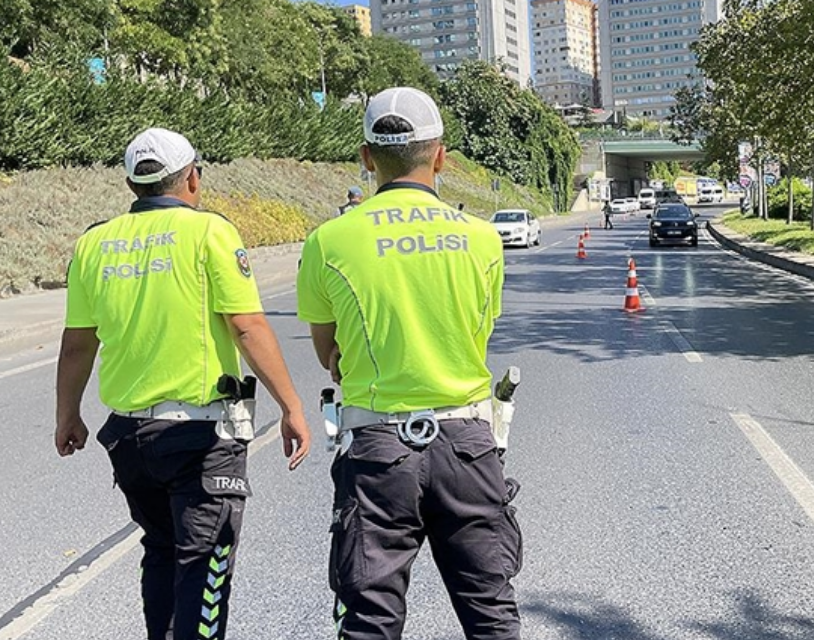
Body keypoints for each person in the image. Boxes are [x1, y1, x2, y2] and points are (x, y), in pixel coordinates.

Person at [55, 128, 311, 640]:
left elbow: (78, 343)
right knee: (205, 564)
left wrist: (67, 415)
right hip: (199, 439)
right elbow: (247, 326)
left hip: (129, 438)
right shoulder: (209, 232)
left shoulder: (94, 243)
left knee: (162, 552)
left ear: (132, 184)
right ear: (193, 177)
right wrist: (292, 406)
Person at [297, 87, 521, 640]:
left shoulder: (329, 241)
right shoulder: (482, 239)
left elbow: (330, 354)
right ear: (440, 155)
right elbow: (478, 330)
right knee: (491, 615)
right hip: (467, 445)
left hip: (376, 453)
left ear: (367, 157)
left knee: (370, 621)